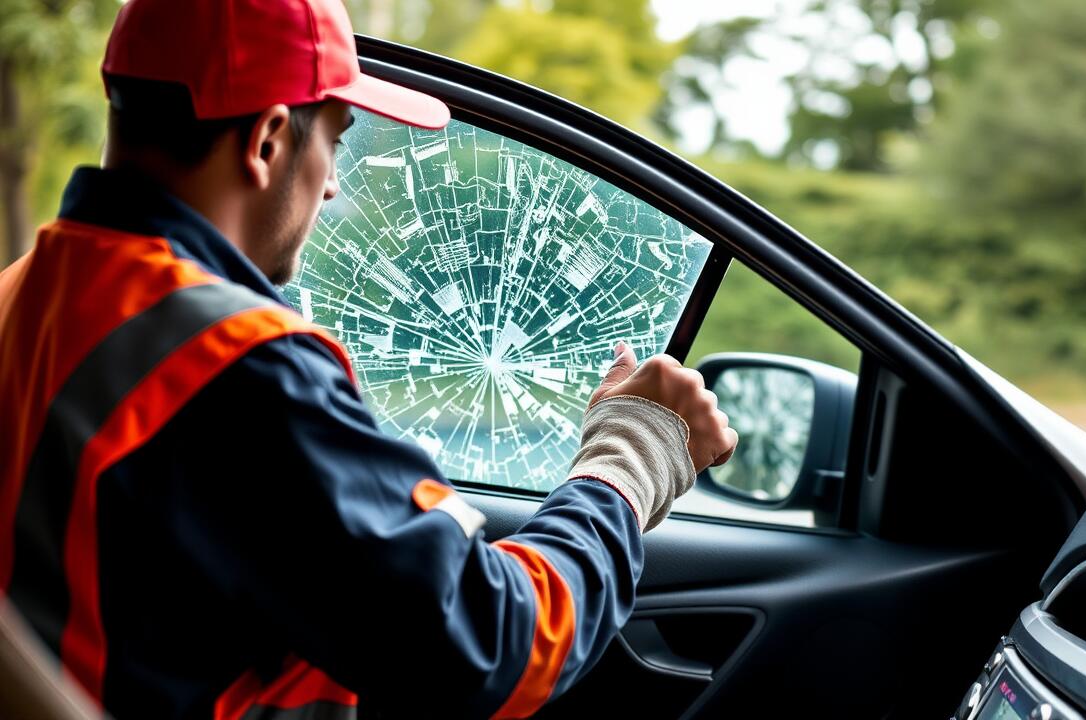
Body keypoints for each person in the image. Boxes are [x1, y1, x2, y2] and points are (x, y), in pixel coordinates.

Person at [0, 0, 738, 718]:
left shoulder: (28, 293)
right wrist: (634, 453)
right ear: (266, 141)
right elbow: (497, 646)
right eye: (337, 140)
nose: (332, 183)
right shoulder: (233, 365)